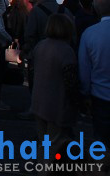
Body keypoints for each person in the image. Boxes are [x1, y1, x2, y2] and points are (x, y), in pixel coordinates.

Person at [31, 14, 80, 156]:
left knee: (43, 142)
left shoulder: (40, 46)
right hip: (57, 103)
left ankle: (43, 168)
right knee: (56, 144)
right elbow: (71, 81)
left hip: (39, 100)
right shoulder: (66, 51)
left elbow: (32, 71)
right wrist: (78, 102)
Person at [79, 0, 110, 162]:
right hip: (99, 94)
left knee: (102, 142)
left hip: (100, 95)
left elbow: (84, 69)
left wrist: (85, 93)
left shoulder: (90, 33)